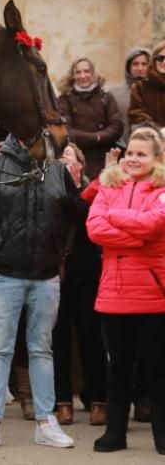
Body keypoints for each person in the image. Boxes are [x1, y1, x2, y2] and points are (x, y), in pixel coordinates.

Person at [0, 126, 82, 449]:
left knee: (42, 348)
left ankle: (46, 421)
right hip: (4, 273)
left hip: (46, 274)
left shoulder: (57, 169)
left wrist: (79, 185)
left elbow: (79, 215)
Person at [86, 127, 165, 454]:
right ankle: (114, 433)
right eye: (130, 152)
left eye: (141, 154)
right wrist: (135, 237)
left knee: (157, 368)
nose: (133, 159)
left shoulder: (162, 189)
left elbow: (155, 224)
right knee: (117, 367)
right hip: (114, 294)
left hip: (152, 294)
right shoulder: (108, 186)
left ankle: (162, 436)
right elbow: (94, 228)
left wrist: (115, 218)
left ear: (157, 158)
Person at [52, 143, 107, 427]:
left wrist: (71, 190)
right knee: (58, 339)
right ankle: (62, 402)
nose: (64, 157)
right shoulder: (47, 186)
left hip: (87, 272)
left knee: (91, 337)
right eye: (60, 154)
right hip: (54, 271)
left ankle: (98, 399)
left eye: (69, 154)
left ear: (82, 163)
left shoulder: (95, 189)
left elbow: (84, 217)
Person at [57, 57, 123, 179]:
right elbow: (65, 129)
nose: (83, 76)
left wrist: (100, 137)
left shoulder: (106, 97)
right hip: (78, 159)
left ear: (93, 74)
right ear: (72, 75)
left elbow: (117, 125)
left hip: (104, 158)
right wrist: (95, 138)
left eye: (87, 71)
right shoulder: (64, 99)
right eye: (78, 72)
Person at [110, 47, 150, 140]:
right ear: (128, 67)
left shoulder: (158, 93)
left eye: (144, 64)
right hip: (123, 147)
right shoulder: (114, 95)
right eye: (135, 64)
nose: (140, 68)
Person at [129, 39, 165, 129]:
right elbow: (136, 116)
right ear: (154, 60)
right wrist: (159, 132)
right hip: (150, 139)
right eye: (161, 58)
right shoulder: (140, 87)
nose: (164, 62)